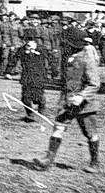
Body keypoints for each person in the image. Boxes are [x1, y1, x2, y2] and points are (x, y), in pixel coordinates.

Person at [31, 25, 101, 171]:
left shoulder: (87, 57)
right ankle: (47, 161)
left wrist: (81, 97)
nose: (65, 45)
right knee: (58, 128)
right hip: (67, 100)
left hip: (85, 104)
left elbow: (94, 84)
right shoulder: (68, 55)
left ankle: (95, 163)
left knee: (90, 133)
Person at [5, 28, 49, 123]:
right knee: (25, 97)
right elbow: (14, 60)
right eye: (27, 39)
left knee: (39, 97)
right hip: (26, 76)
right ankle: (30, 115)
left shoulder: (42, 48)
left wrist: (53, 71)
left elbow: (51, 59)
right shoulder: (22, 49)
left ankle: (40, 114)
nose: (28, 42)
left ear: (34, 40)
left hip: (39, 76)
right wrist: (8, 72)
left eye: (31, 39)